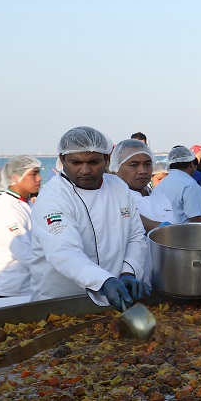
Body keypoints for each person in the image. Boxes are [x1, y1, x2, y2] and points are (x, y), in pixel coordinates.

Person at [29, 127, 150, 306]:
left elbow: (135, 235)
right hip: (61, 302)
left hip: (115, 297)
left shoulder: (118, 187)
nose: (85, 170)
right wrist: (104, 281)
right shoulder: (53, 198)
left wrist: (128, 271)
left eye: (93, 162)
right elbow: (63, 251)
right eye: (75, 162)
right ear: (62, 159)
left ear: (107, 159)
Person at [0, 156, 42, 298]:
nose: (39, 178)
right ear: (15, 176)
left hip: (25, 286)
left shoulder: (26, 203)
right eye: (33, 174)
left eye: (39, 173)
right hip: (7, 289)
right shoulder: (7, 208)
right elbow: (23, 251)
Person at [111, 140, 174, 232]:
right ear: (117, 168)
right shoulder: (113, 199)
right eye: (134, 165)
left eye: (147, 164)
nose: (143, 171)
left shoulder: (161, 197)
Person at [152, 146, 201, 223]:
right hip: (183, 233)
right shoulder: (190, 185)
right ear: (191, 164)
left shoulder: (161, 185)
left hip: (163, 232)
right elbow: (196, 218)